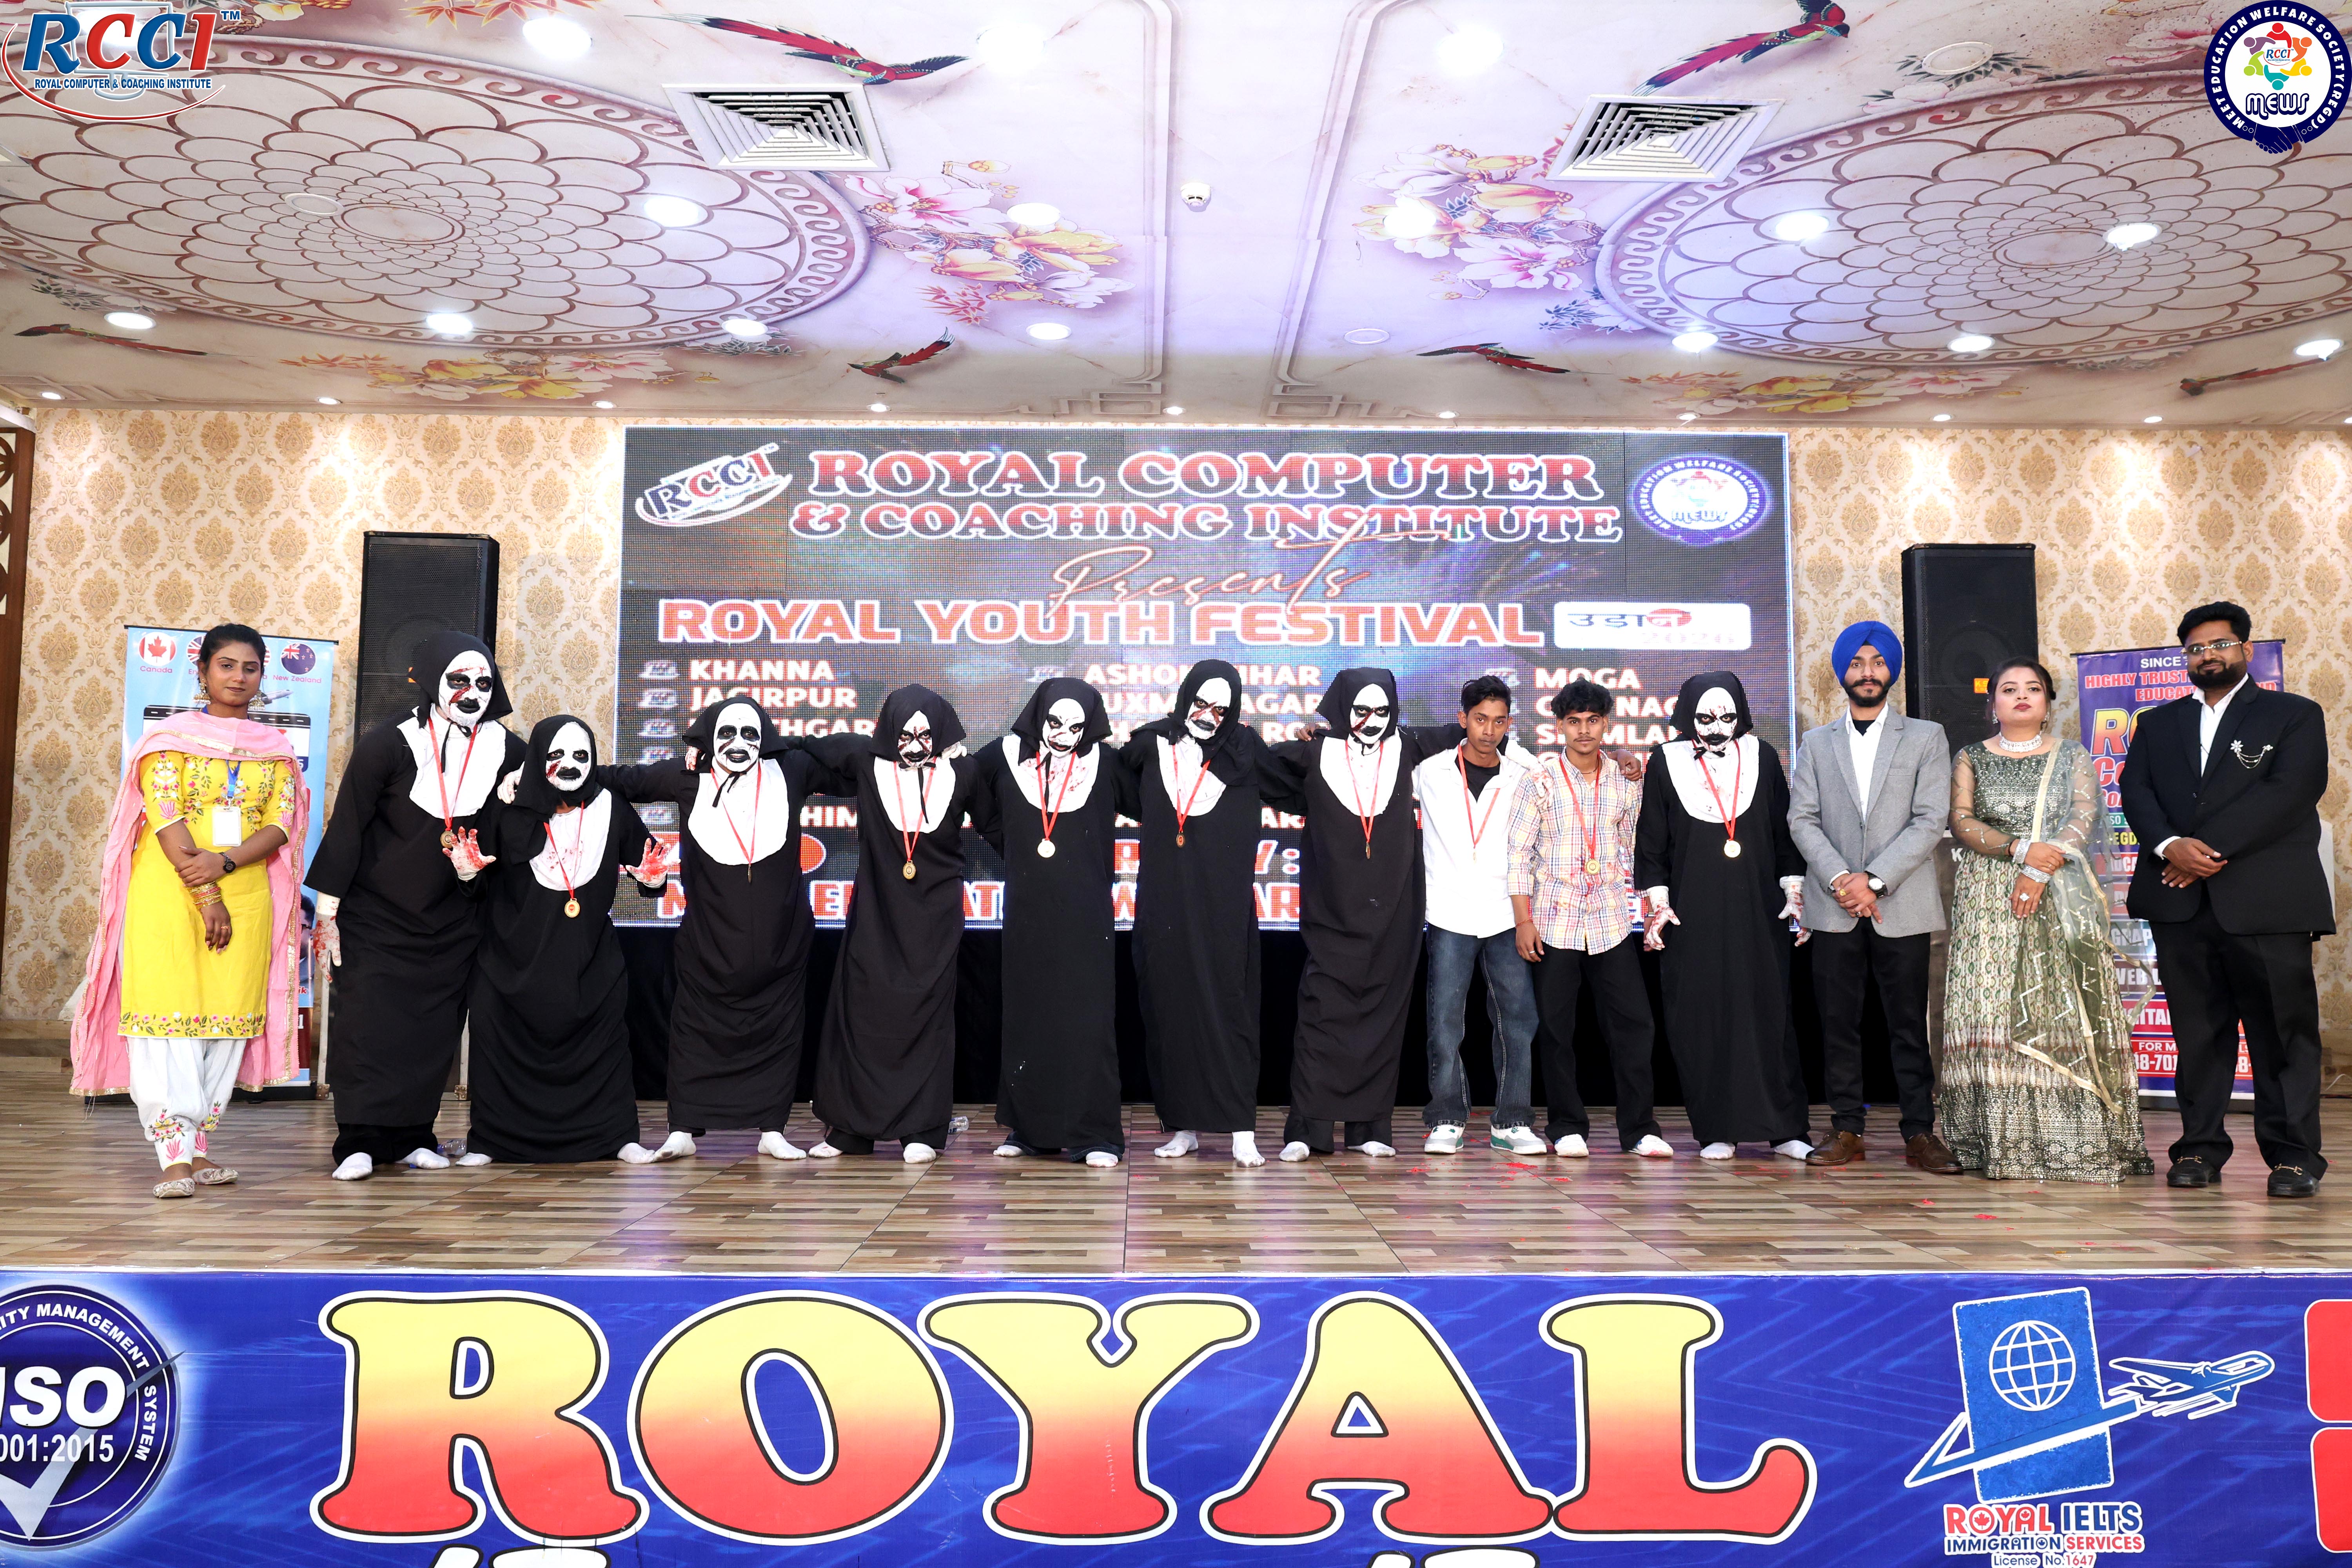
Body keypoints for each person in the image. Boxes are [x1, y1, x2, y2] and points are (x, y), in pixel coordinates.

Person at [71, 624, 308, 1198]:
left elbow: (280, 824)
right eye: (226, 665)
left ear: (262, 675)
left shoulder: (275, 748)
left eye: (250, 668)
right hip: (169, 895)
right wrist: (206, 893)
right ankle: (172, 1156)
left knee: (226, 1023)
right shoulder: (168, 739)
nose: (238, 677)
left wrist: (224, 866)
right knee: (167, 1020)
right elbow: (166, 815)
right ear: (202, 671)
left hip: (246, 893)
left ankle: (199, 1147)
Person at [2119, 603, 2332, 1197]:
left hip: (2268, 902)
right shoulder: (2157, 723)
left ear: (2246, 650)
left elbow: (2291, 792)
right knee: (2198, 1034)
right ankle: (2199, 1149)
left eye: (2220, 644)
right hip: (2180, 903)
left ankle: (2294, 1158)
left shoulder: (2294, 715)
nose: (2208, 655)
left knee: (2283, 1035)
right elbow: (2136, 791)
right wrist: (2170, 847)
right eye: (2195, 648)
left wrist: (2203, 851)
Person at [306, 631, 526, 1181]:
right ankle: (358, 1140)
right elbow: (348, 827)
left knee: (433, 1032)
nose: (472, 692)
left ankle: (413, 1136)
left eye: (484, 682)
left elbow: (553, 793)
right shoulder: (388, 743)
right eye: (459, 680)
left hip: (455, 916)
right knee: (368, 1027)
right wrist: (327, 915)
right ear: (431, 681)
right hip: (377, 916)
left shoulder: (508, 750)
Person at [1945, 659, 2152, 1183]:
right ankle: (1995, 1140)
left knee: (2057, 1002)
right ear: (1992, 703)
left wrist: (2041, 866)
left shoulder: (2073, 755)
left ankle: (2074, 1140)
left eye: (2033, 689)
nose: (2021, 696)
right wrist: (2020, 851)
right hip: (1988, 895)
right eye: (2009, 689)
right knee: (1992, 1006)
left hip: (2058, 889)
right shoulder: (1970, 757)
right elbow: (1962, 820)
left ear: (2048, 703)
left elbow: (2083, 817)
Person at [601, 697, 827, 1162]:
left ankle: (772, 1130)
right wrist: (531, 774)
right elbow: (623, 781)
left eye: (751, 734)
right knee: (693, 1034)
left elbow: (852, 765)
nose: (739, 743)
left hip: (782, 942)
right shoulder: (687, 776)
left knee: (779, 1035)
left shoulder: (792, 770)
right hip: (708, 941)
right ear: (708, 738)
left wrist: (787, 743)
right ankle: (682, 1130)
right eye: (727, 734)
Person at [1262, 669, 1465, 1161]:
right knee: (1322, 1016)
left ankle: (1369, 1127)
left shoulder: (1410, 746)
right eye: (1360, 711)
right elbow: (1257, 767)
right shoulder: (1313, 753)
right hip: (1331, 910)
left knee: (1382, 1018)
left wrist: (1619, 757)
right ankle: (1308, 1129)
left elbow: (1481, 733)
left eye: (1382, 711)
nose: (1372, 721)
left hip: (1394, 911)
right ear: (1341, 709)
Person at [1788, 621, 1962, 1174]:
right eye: (1857, 663)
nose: (1868, 672)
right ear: (1843, 672)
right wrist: (1844, 880)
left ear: (1892, 670)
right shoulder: (1816, 743)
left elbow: (1931, 818)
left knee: (1908, 1024)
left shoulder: (1926, 736)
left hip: (1900, 903)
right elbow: (1802, 819)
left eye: (1878, 662)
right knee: (1838, 1024)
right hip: (1835, 904)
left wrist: (1876, 880)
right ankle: (1846, 1128)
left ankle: (1920, 1132)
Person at [797, 685, 991, 1163]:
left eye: (926, 735)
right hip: (877, 913)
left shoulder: (964, 772)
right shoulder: (867, 764)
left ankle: (921, 1129)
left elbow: (1000, 827)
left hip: (935, 919)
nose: (915, 744)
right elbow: (811, 745)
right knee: (861, 1013)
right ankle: (850, 1131)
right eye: (904, 734)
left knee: (927, 1020)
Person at [461, 716, 666, 1165]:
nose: (570, 764)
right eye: (556, 755)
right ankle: (491, 1141)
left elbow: (649, 868)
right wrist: (467, 873)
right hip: (512, 963)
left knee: (606, 1049)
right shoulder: (508, 808)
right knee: (498, 1046)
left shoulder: (611, 806)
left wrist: (653, 881)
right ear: (538, 758)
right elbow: (476, 880)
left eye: (581, 755)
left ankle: (619, 1137)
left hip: (588, 963)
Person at [1636, 671, 1813, 1161]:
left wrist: (1795, 891)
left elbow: (1784, 833)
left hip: (1759, 910)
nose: (1717, 728)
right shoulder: (1665, 761)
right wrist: (1658, 904)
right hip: (1692, 914)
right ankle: (1718, 1128)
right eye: (1705, 718)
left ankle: (1785, 1128)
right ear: (1687, 716)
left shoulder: (1764, 757)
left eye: (1728, 718)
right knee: (1703, 1017)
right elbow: (1652, 842)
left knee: (1769, 1014)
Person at [974, 678, 1136, 1167]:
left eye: (1076, 726)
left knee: (1087, 1022)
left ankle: (1096, 1135)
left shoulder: (1106, 764)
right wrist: (1014, 845)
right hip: (1027, 911)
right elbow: (971, 794)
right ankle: (1031, 1131)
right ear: (1038, 716)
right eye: (1055, 723)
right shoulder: (1003, 755)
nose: (1064, 734)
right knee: (1028, 1017)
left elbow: (1152, 799)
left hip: (1086, 915)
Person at [1508, 679, 1671, 1160]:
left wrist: (1649, 907)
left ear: (1607, 724)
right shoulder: (1538, 780)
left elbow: (1635, 845)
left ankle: (1640, 1129)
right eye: (1574, 721)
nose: (1584, 731)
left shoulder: (1625, 779)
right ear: (1559, 725)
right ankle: (1566, 1127)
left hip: (1610, 920)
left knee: (1634, 1025)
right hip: (1553, 920)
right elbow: (1517, 855)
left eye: (1593, 721)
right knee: (1557, 1030)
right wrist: (1523, 920)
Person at [1124, 660, 1270, 1167]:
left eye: (1220, 709)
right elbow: (1112, 780)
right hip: (1165, 904)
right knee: (1171, 1013)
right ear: (1185, 698)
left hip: (1224, 909)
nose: (1208, 715)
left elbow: (1297, 781)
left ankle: (1241, 1130)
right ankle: (1181, 1126)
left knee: (1230, 1012)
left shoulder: (1246, 750)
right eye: (1200, 703)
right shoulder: (1151, 744)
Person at [1413, 675, 1546, 1156]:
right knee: (1445, 1022)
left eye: (1499, 721)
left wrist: (1622, 758)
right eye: (1480, 720)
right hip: (1448, 910)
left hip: (1506, 910)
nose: (1489, 731)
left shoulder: (1525, 772)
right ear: (1462, 719)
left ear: (1510, 723)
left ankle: (1513, 1121)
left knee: (1517, 1020)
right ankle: (1447, 1117)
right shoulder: (1430, 771)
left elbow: (1577, 766)